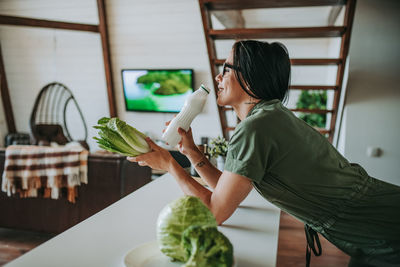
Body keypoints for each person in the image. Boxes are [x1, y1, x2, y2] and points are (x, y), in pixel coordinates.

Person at [128, 40, 400, 267]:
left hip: (381, 228)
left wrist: (169, 164)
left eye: (225, 69)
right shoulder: (270, 116)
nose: (217, 77)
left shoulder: (255, 128)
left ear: (249, 75)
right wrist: (191, 152)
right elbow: (226, 190)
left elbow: (214, 213)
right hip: (376, 220)